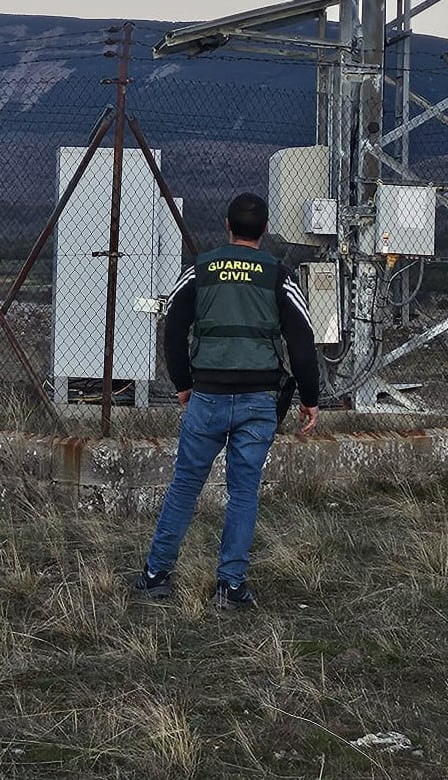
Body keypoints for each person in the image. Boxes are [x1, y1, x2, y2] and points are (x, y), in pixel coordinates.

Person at [131, 192, 320, 609]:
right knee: (243, 492)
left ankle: (156, 574)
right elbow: (303, 344)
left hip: (207, 396)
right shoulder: (279, 275)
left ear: (227, 226)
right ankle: (230, 587)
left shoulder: (199, 270)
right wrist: (310, 398)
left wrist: (182, 383)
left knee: (185, 484)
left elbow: (174, 329)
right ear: (265, 230)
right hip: (258, 401)